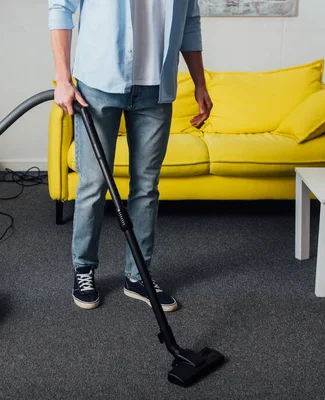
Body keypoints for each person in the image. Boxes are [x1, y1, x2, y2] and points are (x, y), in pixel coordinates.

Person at [48, 0, 212, 312]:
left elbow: (190, 24)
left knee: (146, 188)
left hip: (156, 91)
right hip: (97, 86)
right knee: (93, 184)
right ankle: (84, 269)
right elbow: (60, 8)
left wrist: (200, 83)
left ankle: (139, 276)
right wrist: (63, 79)